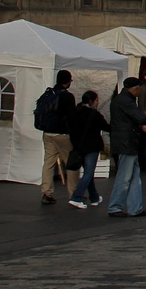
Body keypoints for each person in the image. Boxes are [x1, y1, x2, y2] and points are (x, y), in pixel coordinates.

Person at [108, 76, 146, 217]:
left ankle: (135, 207)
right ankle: (115, 206)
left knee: (134, 176)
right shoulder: (126, 102)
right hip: (127, 142)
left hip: (126, 141)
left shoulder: (119, 100)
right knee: (125, 176)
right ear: (135, 89)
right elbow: (138, 117)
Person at [38, 69, 76, 205]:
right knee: (71, 163)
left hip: (47, 132)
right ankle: (74, 193)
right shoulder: (67, 96)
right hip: (62, 133)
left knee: (48, 162)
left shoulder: (49, 93)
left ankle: (46, 192)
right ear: (68, 81)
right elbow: (71, 117)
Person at [67, 90, 110, 208]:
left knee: (88, 173)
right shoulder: (94, 115)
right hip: (92, 147)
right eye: (97, 100)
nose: (98, 102)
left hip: (79, 147)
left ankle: (94, 197)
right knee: (88, 173)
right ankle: (76, 197)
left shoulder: (76, 112)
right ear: (91, 101)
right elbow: (106, 127)